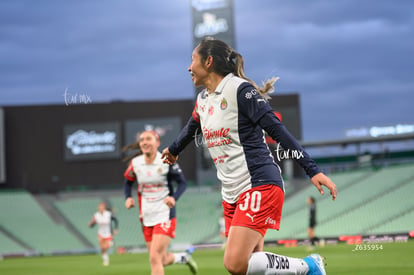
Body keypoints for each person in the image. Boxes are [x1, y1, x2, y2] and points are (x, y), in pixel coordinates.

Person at [161, 37, 337, 275]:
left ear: (209, 62)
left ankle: (308, 266)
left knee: (234, 263)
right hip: (231, 192)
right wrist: (173, 150)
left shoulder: (239, 90)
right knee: (251, 267)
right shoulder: (203, 99)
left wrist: (312, 169)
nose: (188, 67)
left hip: (259, 183)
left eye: (193, 60)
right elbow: (193, 127)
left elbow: (277, 130)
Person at [123, 130, 198, 275]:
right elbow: (128, 183)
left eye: (149, 139)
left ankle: (181, 257)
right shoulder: (135, 163)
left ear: (157, 143)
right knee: (160, 259)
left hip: (165, 214)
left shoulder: (165, 160)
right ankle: (183, 257)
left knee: (154, 257)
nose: (145, 142)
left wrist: (173, 198)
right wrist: (128, 197)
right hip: (146, 216)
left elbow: (182, 183)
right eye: (142, 139)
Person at [88, 201, 119, 266]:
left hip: (108, 233)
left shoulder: (108, 214)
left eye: (102, 207)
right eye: (99, 208)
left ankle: (106, 257)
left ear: (104, 208)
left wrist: (116, 229)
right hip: (101, 234)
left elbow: (115, 220)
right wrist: (90, 224)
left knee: (106, 247)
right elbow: (93, 224)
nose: (100, 209)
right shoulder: (96, 215)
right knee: (102, 248)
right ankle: (106, 260)